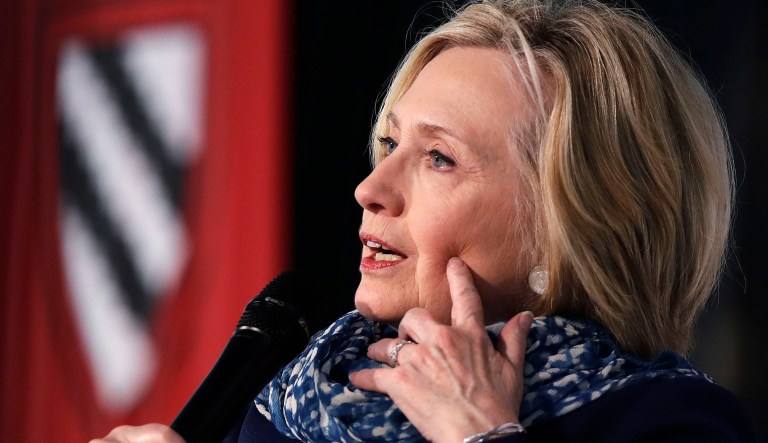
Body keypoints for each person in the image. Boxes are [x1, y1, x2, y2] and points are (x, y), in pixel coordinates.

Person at [92, 0, 763, 442]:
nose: (371, 188)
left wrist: (481, 433)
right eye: (390, 146)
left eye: (439, 158)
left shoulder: (667, 424)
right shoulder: (283, 411)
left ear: (571, 228)